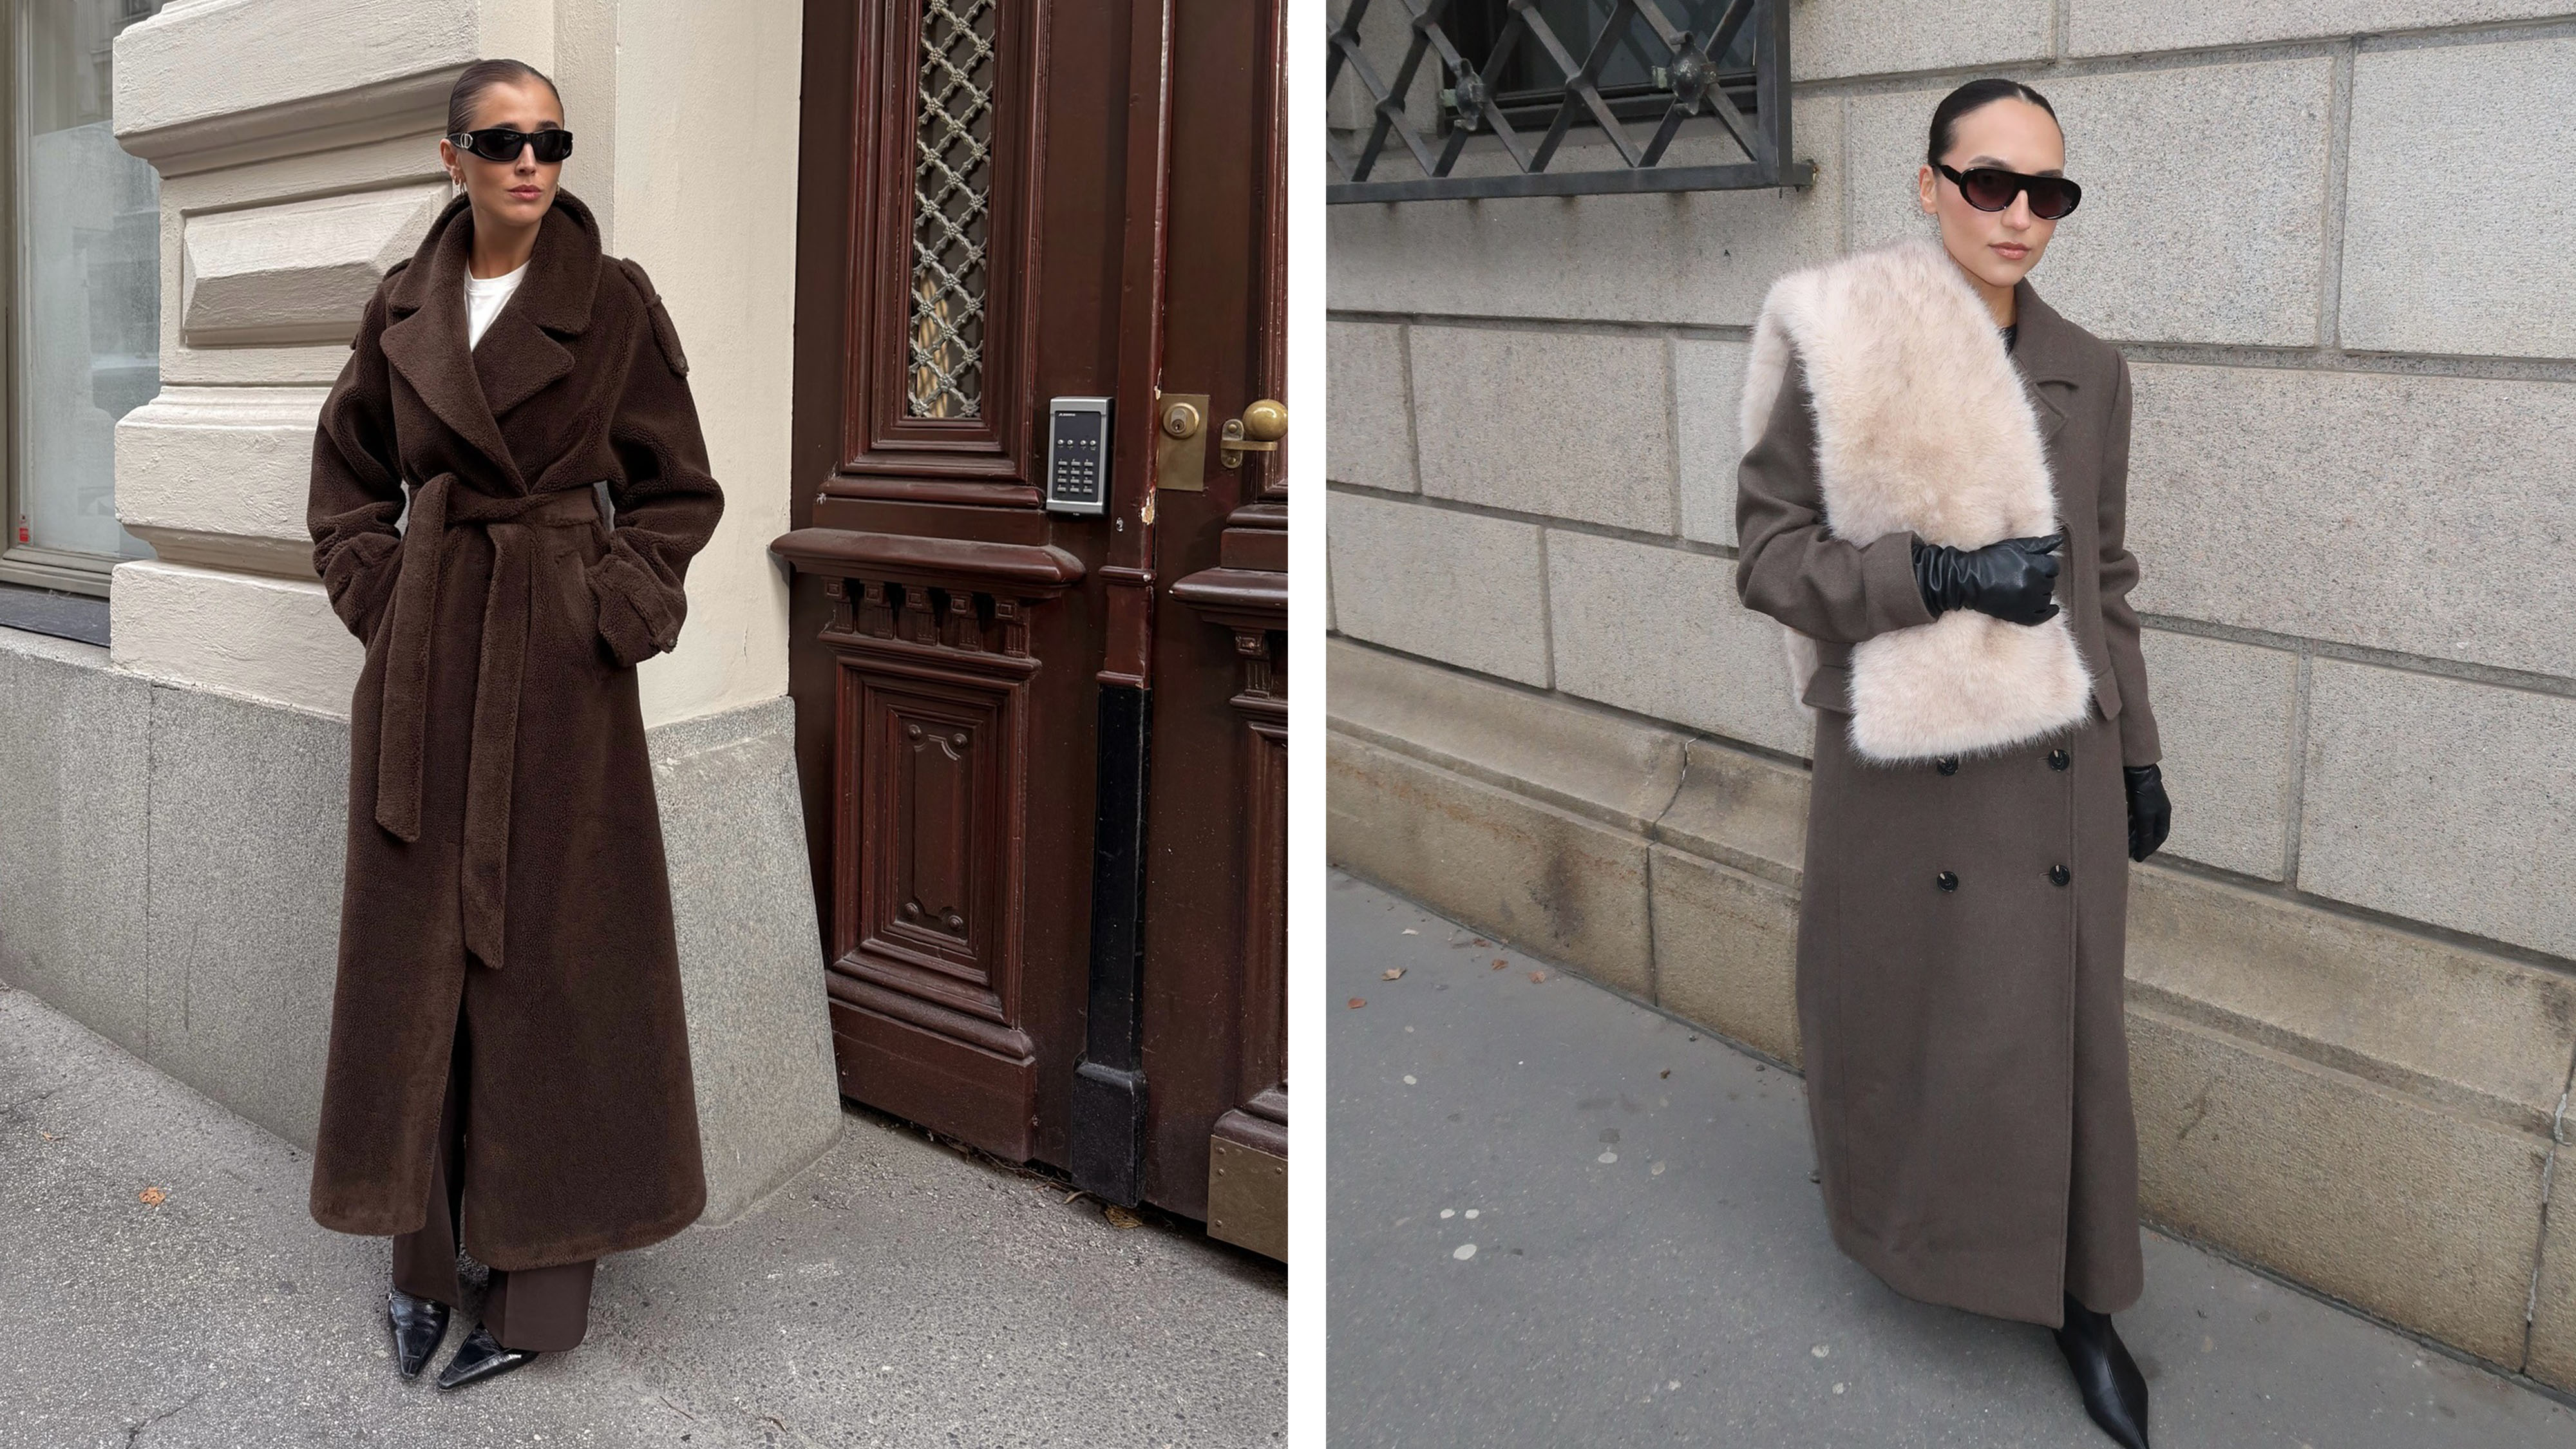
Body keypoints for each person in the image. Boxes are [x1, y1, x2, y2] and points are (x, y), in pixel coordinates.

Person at [1732, 78, 2174, 1449]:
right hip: (1903, 774)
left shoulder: (2088, 367)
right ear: (1927, 184)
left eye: (2047, 191)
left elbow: (2103, 578)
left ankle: (2083, 1301)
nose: (2018, 215)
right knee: (1908, 1023)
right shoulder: (1833, 333)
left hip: (2055, 763)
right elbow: (1764, 557)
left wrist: (2138, 756)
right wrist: (1931, 574)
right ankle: (1903, 1230)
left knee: (2065, 1040)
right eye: (1989, 182)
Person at [302, 57, 724, 1390]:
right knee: (418, 969)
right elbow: (347, 483)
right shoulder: (403, 306)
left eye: (549, 137)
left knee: (558, 974)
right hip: (432, 667)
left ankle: (541, 1295)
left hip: (558, 676)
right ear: (453, 157)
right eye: (500, 140)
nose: (528, 160)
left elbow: (678, 491)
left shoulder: (612, 304)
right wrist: (387, 595)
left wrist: (614, 608)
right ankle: (422, 1266)